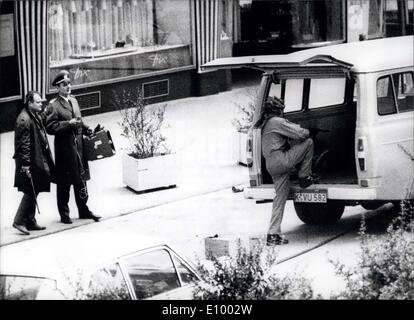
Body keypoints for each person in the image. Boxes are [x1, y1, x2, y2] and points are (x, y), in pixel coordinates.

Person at [254, 96, 318, 245]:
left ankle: (273, 234)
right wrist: (309, 131)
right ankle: (304, 177)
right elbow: (301, 134)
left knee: (280, 198)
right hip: (281, 161)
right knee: (308, 143)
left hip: (272, 165)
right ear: (278, 110)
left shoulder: (265, 123)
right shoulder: (277, 121)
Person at [45, 70, 101, 224]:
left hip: (79, 147)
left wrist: (86, 128)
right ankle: (64, 214)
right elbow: (50, 127)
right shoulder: (54, 106)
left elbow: (79, 120)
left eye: (69, 83)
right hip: (64, 150)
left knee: (81, 179)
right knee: (65, 182)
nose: (68, 86)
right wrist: (67, 124)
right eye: (64, 84)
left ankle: (83, 210)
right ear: (58, 88)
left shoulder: (74, 101)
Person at [12, 91, 56, 235]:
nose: (40, 103)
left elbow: (40, 122)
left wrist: (47, 109)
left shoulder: (32, 114)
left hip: (35, 159)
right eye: (38, 102)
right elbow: (23, 145)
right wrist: (25, 165)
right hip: (29, 162)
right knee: (31, 190)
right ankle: (19, 221)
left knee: (35, 188)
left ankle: (30, 221)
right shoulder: (24, 119)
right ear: (29, 103)